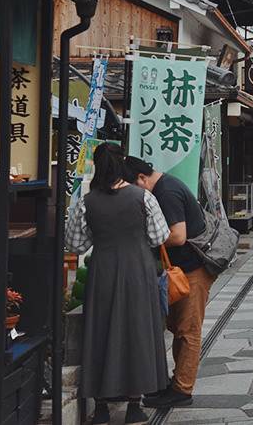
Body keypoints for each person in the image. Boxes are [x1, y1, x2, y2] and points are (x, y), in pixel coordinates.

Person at [66, 143, 170, 425]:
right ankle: (134, 406)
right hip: (138, 270)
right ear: (122, 164)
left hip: (103, 271)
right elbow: (159, 236)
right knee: (138, 330)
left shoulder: (87, 201)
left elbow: (75, 243)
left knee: (100, 331)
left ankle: (100, 407)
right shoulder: (143, 197)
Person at [126, 157, 212, 409]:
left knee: (188, 330)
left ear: (142, 178)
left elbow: (177, 235)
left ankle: (183, 390)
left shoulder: (166, 192)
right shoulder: (166, 187)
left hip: (193, 269)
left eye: (134, 187)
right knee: (178, 326)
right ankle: (176, 384)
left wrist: (144, 240)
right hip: (182, 269)